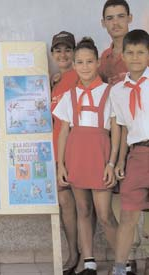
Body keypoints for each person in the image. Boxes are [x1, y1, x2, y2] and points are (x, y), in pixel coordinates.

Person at [54, 37, 119, 275]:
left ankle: (124, 261)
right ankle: (89, 261)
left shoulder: (110, 93)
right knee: (83, 210)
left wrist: (112, 163)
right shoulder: (69, 96)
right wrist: (61, 164)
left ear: (97, 62)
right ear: (74, 65)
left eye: (89, 61)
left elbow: (117, 130)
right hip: (76, 158)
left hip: (100, 157)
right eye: (79, 62)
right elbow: (63, 132)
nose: (84, 66)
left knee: (104, 214)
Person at [100, 2, 143, 273]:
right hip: (125, 146)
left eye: (120, 17)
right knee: (127, 209)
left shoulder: (141, 53)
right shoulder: (103, 59)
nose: (115, 23)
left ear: (129, 18)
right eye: (109, 18)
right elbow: (119, 123)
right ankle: (123, 264)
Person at [110, 29, 149, 275]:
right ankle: (119, 268)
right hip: (137, 155)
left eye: (141, 52)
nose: (135, 57)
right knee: (128, 216)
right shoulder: (118, 91)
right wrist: (120, 160)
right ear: (123, 55)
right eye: (130, 52)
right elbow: (123, 128)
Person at [50, 31, 81, 275]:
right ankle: (74, 253)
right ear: (52, 54)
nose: (63, 54)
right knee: (65, 205)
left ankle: (82, 256)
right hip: (56, 153)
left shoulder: (80, 76)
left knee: (82, 207)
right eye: (58, 50)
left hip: (74, 153)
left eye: (67, 50)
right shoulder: (56, 80)